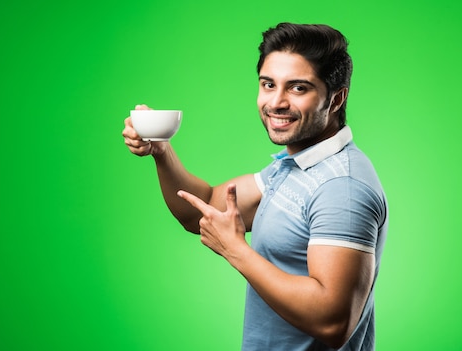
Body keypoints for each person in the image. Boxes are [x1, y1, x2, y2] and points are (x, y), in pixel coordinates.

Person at [122, 22, 388, 351]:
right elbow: (202, 208)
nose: (276, 102)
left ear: (336, 99)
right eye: (268, 84)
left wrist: (236, 250)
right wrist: (161, 151)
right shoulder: (295, 167)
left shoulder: (341, 188)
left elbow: (333, 322)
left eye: (298, 88)